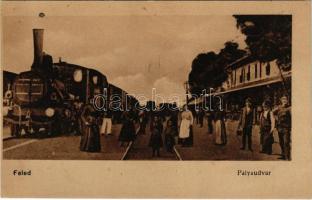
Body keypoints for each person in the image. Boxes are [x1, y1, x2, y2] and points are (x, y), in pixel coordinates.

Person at [273, 95, 291, 160]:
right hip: (279, 127)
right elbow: (273, 112)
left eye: (285, 99)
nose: (284, 100)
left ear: (287, 100)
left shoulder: (289, 108)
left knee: (286, 142)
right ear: (281, 100)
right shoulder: (279, 107)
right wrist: (276, 118)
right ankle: (283, 155)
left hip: (286, 128)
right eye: (283, 99)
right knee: (281, 142)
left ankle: (287, 157)